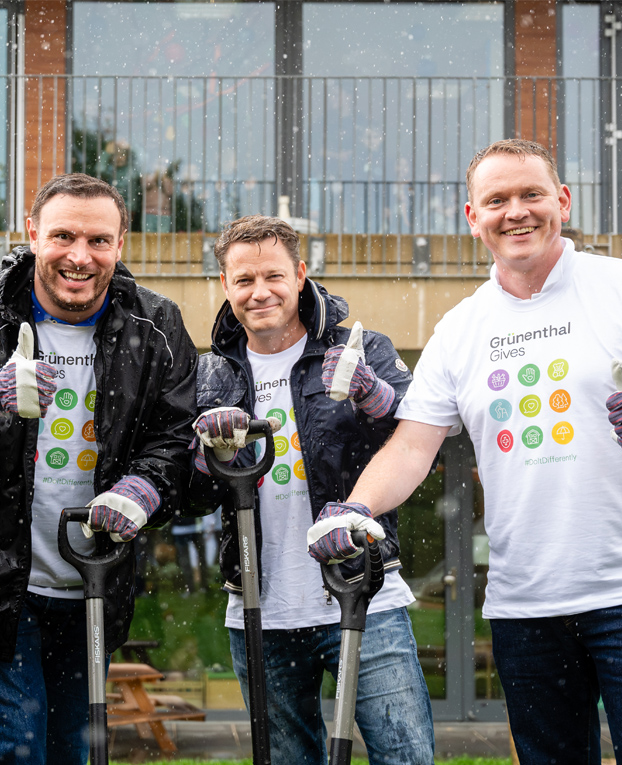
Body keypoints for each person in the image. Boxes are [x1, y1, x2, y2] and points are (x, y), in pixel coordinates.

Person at [308, 139, 622, 765]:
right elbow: (412, 446)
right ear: (472, 217)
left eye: (532, 194)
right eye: (497, 200)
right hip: (526, 603)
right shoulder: (460, 329)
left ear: (562, 201)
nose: (517, 212)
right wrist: (354, 508)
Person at [0, 173, 198, 765]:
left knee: (75, 753)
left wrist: (142, 489)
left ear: (121, 245)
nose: (79, 256)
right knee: (15, 755)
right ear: (33, 234)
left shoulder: (157, 326)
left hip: (95, 586)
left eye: (98, 241)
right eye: (63, 235)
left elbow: (176, 435)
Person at [186, 215, 435, 764]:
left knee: (404, 756)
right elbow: (193, 495)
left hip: (363, 592)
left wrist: (368, 393)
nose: (260, 292)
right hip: (260, 607)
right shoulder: (211, 374)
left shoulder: (359, 346)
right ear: (224, 285)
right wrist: (209, 456)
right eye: (243, 280)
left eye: (273, 276)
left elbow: (416, 441)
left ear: (300, 274)